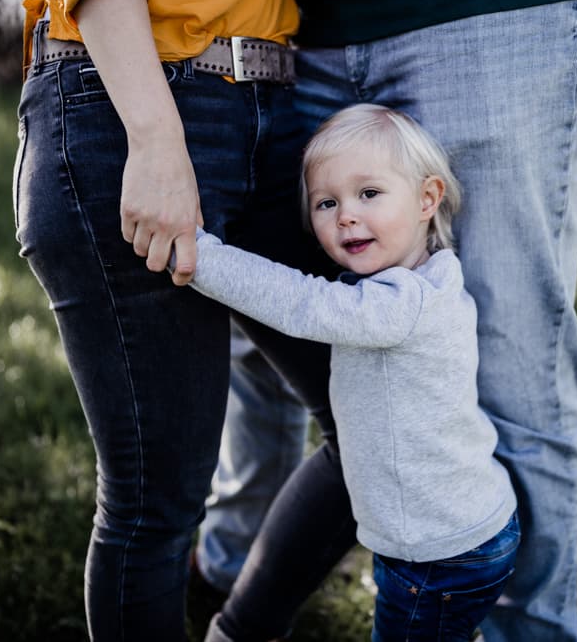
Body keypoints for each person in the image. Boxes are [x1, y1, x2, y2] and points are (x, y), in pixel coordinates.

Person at [24, 0, 577, 640]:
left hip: (427, 29)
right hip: (250, 56)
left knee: (489, 389)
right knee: (203, 451)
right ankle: (233, 579)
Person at [15, 0, 344, 639]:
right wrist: (156, 139)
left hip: (274, 110)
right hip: (126, 108)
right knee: (154, 500)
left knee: (377, 422)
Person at [182, 104, 520, 642]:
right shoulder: (433, 276)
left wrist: (200, 259)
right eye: (326, 202)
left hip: (437, 555)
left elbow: (300, 303)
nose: (345, 215)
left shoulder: (398, 307)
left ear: (427, 199)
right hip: (466, 530)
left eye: (369, 194)